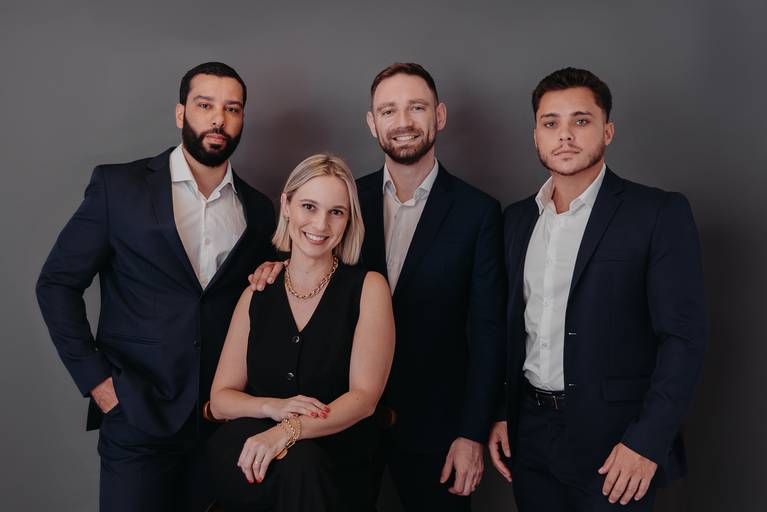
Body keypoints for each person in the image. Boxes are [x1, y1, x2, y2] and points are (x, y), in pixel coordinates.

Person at [251, 63, 506, 510]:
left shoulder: (478, 212)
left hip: (437, 425)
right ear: (372, 123)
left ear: (440, 116)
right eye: (389, 110)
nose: (403, 121)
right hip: (339, 419)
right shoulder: (346, 201)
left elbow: (488, 332)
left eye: (417, 108)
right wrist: (279, 268)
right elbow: (313, 261)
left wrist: (471, 432)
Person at [36, 62, 276, 512]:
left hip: (221, 422)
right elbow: (56, 284)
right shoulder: (118, 188)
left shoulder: (260, 211)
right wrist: (98, 383)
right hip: (137, 412)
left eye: (232, 109)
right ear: (181, 113)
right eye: (205, 105)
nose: (218, 119)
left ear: (243, 118)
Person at [488, 67, 707, 511]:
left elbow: (683, 339)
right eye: (551, 123)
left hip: (617, 443)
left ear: (607, 131)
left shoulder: (657, 213)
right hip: (530, 436)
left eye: (581, 120)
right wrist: (500, 412)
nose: (565, 135)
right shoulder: (516, 220)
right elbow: (506, 330)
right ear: (535, 136)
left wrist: (647, 441)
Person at [205, 154, 395, 512]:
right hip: (252, 452)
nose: (321, 224)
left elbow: (364, 397)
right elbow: (221, 400)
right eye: (309, 206)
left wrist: (287, 431)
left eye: (336, 212)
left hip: (333, 458)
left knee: (303, 465)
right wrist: (273, 408)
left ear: (349, 220)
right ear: (287, 205)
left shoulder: (368, 288)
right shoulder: (256, 292)